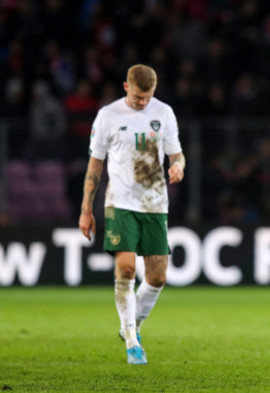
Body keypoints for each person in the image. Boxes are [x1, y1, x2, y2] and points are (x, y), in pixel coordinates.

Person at [78, 64, 185, 365]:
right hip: (120, 201)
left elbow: (176, 152)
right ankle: (132, 343)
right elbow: (95, 165)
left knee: (157, 277)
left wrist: (179, 166)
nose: (142, 103)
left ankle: (131, 325)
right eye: (138, 97)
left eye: (147, 97)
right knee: (126, 269)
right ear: (126, 87)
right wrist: (87, 210)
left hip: (155, 203)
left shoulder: (163, 112)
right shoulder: (108, 116)